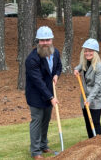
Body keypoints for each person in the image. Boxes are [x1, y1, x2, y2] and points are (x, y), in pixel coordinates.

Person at [25, 26, 62, 159]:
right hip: (36, 95)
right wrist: (51, 97)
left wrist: (57, 75)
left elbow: (59, 66)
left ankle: (43, 145)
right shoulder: (32, 59)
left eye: (47, 40)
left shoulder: (55, 52)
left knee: (46, 120)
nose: (45, 43)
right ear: (38, 41)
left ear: (51, 40)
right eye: (42, 40)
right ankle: (35, 151)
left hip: (49, 93)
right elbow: (38, 82)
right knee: (37, 121)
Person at [73, 38, 101, 138]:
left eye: (90, 51)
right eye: (86, 51)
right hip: (84, 96)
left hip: (95, 98)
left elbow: (97, 85)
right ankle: (90, 143)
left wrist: (90, 99)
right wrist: (76, 70)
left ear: (95, 52)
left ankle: (98, 143)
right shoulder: (85, 62)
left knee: (94, 122)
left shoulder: (99, 66)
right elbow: (79, 67)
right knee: (87, 122)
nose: (87, 53)